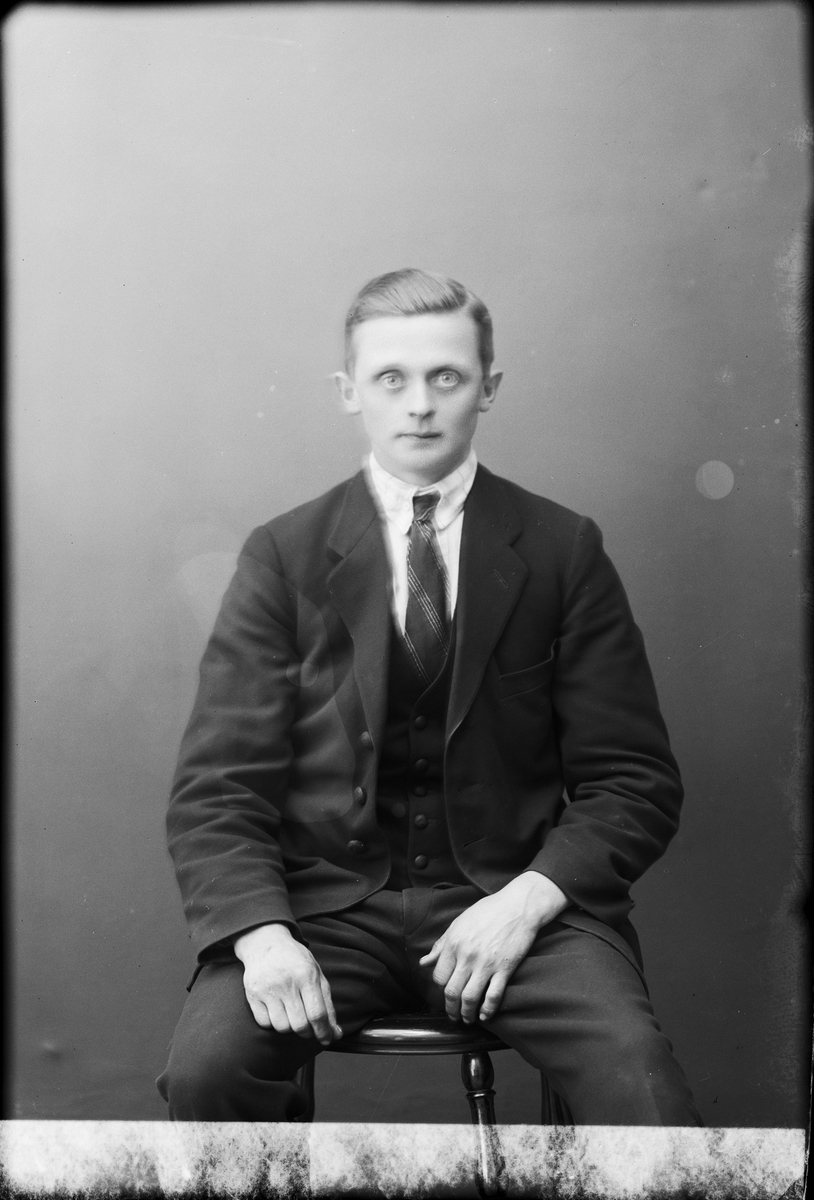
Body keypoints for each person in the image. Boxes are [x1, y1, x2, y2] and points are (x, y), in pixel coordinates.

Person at [157, 268, 702, 1125]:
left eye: (446, 376)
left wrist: (525, 903)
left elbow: (634, 781)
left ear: (488, 387)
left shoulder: (562, 550)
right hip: (325, 913)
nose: (418, 405)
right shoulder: (284, 555)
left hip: (515, 905)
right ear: (350, 392)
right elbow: (218, 790)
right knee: (208, 1075)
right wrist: (262, 937)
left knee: (640, 1083)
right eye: (391, 379)